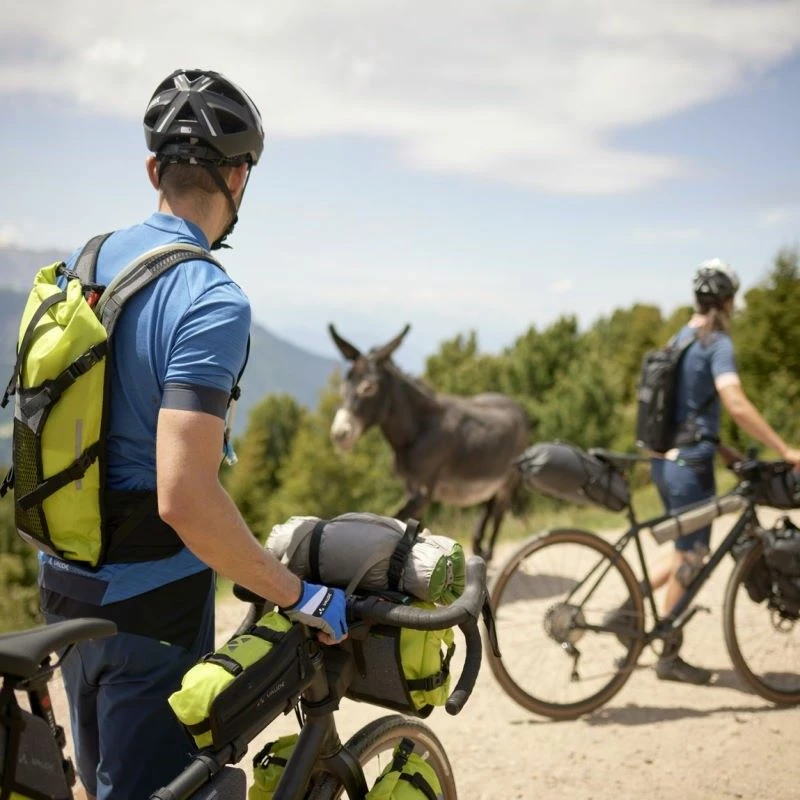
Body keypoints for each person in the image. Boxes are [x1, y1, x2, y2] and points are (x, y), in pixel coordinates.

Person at [39, 69, 348, 800]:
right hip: (151, 611)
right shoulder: (209, 296)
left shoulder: (83, 266)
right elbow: (185, 496)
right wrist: (295, 593)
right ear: (239, 178)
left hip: (62, 585)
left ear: (153, 170)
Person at [645, 258, 800, 684]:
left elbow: (688, 413)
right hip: (690, 467)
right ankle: (668, 653)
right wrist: (783, 447)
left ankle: (628, 606)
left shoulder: (681, 336)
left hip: (663, 461)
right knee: (692, 554)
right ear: (728, 300)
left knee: (681, 546)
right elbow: (733, 402)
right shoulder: (717, 343)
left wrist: (725, 450)